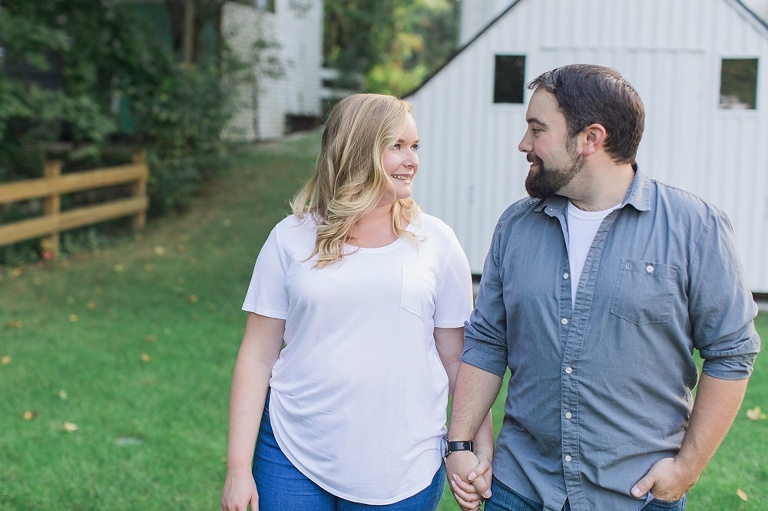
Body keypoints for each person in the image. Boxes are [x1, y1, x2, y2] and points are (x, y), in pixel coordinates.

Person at [444, 64, 762, 511]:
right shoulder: (516, 225)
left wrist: (687, 468)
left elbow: (731, 352)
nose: (524, 145)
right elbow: (488, 341)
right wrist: (459, 445)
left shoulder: (696, 228)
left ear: (590, 139)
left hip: (636, 495)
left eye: (538, 130)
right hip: (520, 489)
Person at [220, 93, 494, 511]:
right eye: (397, 146)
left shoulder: (437, 242)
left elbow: (458, 358)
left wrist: (472, 448)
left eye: (415, 146)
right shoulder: (290, 236)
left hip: (402, 465)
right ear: (357, 149)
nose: (412, 160)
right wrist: (238, 468)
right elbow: (257, 356)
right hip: (291, 453)